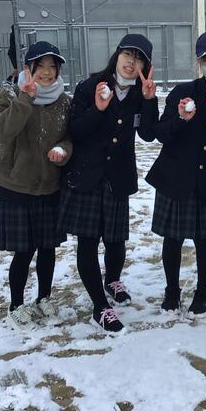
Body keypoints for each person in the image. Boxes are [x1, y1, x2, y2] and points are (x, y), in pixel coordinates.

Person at [58, 34, 158, 332]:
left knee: (115, 239)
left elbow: (148, 134)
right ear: (117, 56)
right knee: (88, 241)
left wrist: (150, 101)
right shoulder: (90, 86)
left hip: (118, 176)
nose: (131, 62)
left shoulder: (141, 92)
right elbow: (76, 130)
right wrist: (98, 109)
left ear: (145, 66)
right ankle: (99, 306)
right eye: (127, 55)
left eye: (139, 59)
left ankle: (112, 280)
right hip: (87, 177)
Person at [146, 30, 206, 320]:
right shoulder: (183, 91)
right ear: (199, 62)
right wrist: (181, 120)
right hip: (175, 176)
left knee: (204, 238)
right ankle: (172, 290)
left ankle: (203, 291)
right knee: (172, 239)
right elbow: (160, 133)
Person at [0, 41, 72, 329]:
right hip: (16, 187)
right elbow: (0, 131)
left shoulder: (64, 101)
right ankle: (16, 305)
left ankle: (44, 297)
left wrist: (63, 149)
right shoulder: (10, 95)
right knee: (23, 251)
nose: (47, 72)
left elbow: (70, 137)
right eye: (41, 66)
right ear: (28, 68)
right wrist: (25, 99)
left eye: (52, 67)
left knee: (47, 248)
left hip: (49, 185)